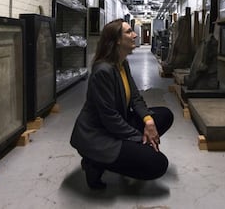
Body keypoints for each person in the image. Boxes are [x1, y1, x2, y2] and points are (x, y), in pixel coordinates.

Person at [70, 18, 174, 189]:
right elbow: (110, 118)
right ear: (117, 40)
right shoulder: (103, 71)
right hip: (98, 135)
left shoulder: (122, 63)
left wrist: (148, 121)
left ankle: (128, 151)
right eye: (128, 32)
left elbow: (135, 97)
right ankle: (94, 162)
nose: (134, 35)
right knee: (158, 164)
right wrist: (140, 138)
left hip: (115, 125)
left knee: (164, 115)